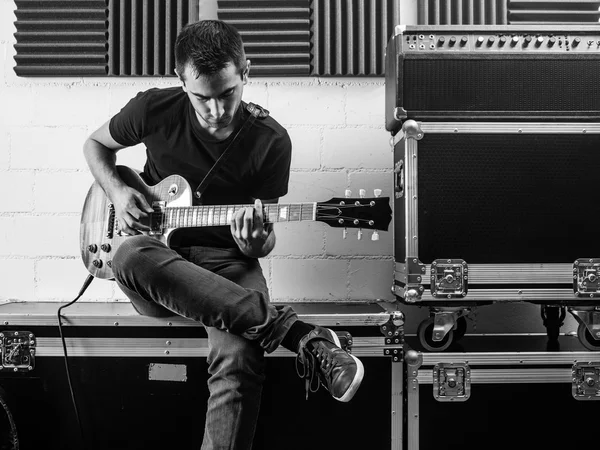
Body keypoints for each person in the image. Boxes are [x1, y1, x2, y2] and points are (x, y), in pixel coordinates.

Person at [83, 19, 364, 450]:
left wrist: (257, 244)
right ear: (181, 81)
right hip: (157, 265)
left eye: (228, 93)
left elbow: (264, 239)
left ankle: (289, 334)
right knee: (129, 256)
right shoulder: (152, 109)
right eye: (202, 98)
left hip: (230, 263)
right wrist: (119, 192)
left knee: (239, 357)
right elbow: (95, 146)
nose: (217, 111)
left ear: (246, 71)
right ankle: (296, 334)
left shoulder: (271, 141)